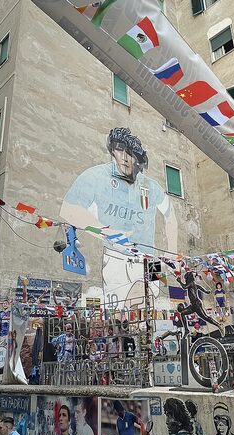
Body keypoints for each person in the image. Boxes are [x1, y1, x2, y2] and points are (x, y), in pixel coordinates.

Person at [61, 127, 178, 306]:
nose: (124, 157)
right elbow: (69, 210)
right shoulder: (97, 176)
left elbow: (171, 216)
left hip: (151, 261)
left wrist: (173, 254)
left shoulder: (150, 186)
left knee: (153, 310)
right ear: (112, 151)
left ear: (137, 157)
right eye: (119, 150)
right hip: (117, 258)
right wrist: (105, 231)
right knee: (120, 315)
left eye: (129, 152)